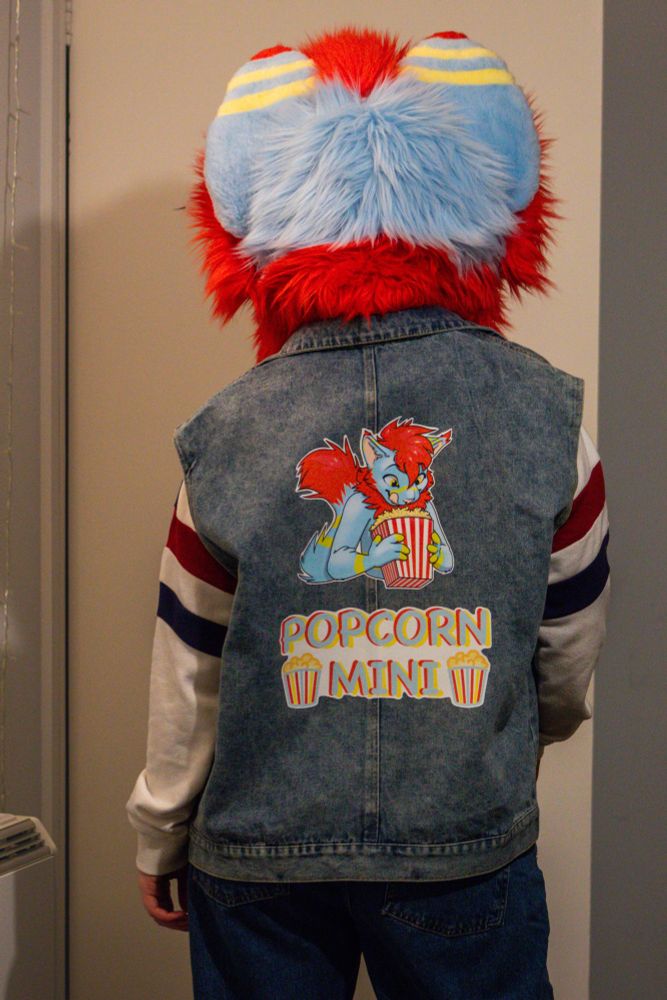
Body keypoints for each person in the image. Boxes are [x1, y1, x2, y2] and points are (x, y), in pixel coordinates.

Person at [126, 26, 610, 999]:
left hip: (260, 853)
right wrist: (513, 733)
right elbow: (566, 640)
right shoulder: (551, 420)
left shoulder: (226, 431)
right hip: (459, 836)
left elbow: (191, 660)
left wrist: (159, 826)